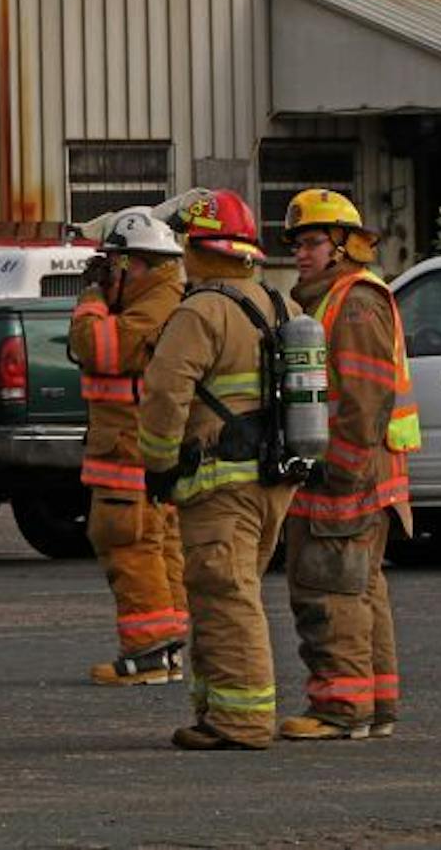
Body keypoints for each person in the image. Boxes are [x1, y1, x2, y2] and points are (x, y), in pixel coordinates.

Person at [137, 189, 293, 751]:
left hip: (220, 482)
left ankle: (241, 720)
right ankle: (216, 709)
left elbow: (163, 392)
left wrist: (156, 463)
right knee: (225, 592)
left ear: (199, 250)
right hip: (273, 478)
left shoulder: (201, 310)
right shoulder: (281, 306)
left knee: (227, 596)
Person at [277, 189, 422, 742]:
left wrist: (340, 467)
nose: (301, 254)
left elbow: (365, 398)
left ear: (342, 246)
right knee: (361, 591)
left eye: (312, 242)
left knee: (330, 587)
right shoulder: (330, 299)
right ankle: (375, 705)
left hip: (348, 470)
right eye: (296, 244)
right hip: (359, 469)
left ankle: (341, 709)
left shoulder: (355, 301)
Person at [70, 207, 190, 687]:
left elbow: (94, 346)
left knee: (128, 543)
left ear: (136, 263)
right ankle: (165, 649)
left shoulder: (155, 306)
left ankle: (146, 652)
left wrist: (92, 298)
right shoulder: (158, 299)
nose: (109, 270)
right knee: (157, 544)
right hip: (135, 452)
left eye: (116, 263)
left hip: (127, 455)